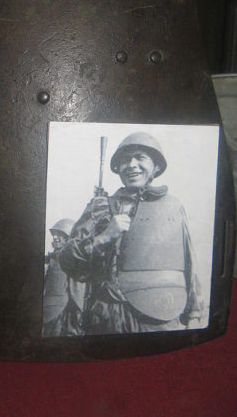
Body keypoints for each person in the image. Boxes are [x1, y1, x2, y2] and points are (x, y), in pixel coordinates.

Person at [59, 132, 204, 335]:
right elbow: (67, 260)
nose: (132, 165)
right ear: (118, 167)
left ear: (157, 167)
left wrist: (195, 314)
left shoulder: (173, 206)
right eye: (125, 160)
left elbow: (189, 263)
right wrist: (102, 238)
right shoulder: (99, 207)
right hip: (108, 318)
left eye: (140, 157)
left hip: (159, 318)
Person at [42, 218, 86, 337]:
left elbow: (78, 289)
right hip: (49, 311)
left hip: (65, 314)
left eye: (60, 235)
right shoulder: (51, 259)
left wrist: (78, 312)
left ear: (68, 237)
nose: (55, 237)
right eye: (54, 235)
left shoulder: (73, 260)